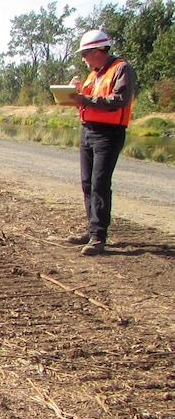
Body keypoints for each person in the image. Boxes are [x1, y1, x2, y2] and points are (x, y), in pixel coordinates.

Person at [64, 29, 136, 256]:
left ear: (98, 50)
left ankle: (98, 236)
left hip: (109, 133)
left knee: (100, 183)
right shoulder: (93, 74)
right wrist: (72, 92)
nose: (83, 59)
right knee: (87, 182)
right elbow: (85, 101)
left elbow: (118, 100)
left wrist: (83, 98)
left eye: (85, 54)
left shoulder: (122, 69)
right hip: (88, 130)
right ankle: (91, 228)